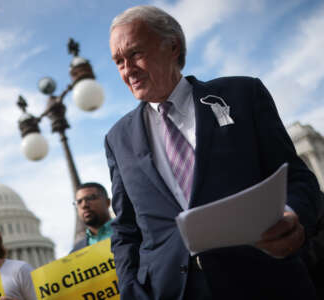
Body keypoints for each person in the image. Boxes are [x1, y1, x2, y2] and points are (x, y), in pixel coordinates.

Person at [105, 5, 322, 300]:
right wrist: (131, 290)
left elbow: (298, 180)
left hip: (265, 280)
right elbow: (126, 230)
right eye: (119, 61)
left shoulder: (243, 95)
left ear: (172, 46)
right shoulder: (117, 139)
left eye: (135, 54)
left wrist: (294, 217)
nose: (127, 70)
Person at [71, 182, 113, 252]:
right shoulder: (75, 253)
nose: (84, 205)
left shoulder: (131, 230)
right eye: (79, 202)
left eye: (91, 198)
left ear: (107, 202)